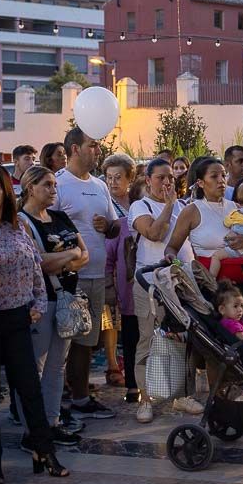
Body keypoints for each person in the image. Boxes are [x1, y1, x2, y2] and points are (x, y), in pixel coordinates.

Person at [0, 164, 68, 484]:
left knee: (29, 389)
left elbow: (35, 267)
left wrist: (38, 302)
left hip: (19, 318)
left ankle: (44, 451)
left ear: (5, 190)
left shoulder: (18, 226)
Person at [53, 127, 119, 421]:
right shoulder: (58, 184)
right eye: (92, 145)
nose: (98, 150)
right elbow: (45, 225)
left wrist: (108, 225)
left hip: (97, 274)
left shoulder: (101, 185)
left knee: (88, 341)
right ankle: (72, 396)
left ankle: (78, 394)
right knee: (69, 340)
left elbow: (116, 226)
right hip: (69, 276)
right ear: (75, 149)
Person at [18, 166, 87, 446]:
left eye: (54, 186)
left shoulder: (59, 217)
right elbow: (38, 261)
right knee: (36, 365)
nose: (53, 190)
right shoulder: (22, 221)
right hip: (41, 298)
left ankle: (52, 421)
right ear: (30, 187)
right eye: (47, 185)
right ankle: (31, 428)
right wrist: (69, 254)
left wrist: (67, 257)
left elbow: (84, 254)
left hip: (66, 298)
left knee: (58, 365)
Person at [131, 158, 200, 423]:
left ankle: (183, 395)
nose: (167, 182)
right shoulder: (140, 206)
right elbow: (154, 233)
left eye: (170, 177)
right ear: (148, 180)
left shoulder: (184, 206)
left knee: (187, 338)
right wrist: (170, 205)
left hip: (181, 281)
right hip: (150, 285)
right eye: (161, 177)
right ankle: (146, 398)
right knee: (149, 339)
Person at [168, 157, 243, 322]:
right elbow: (172, 247)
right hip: (212, 287)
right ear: (201, 183)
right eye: (214, 176)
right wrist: (173, 259)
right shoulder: (192, 211)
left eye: (223, 175)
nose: (221, 181)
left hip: (241, 282)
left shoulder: (236, 208)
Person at [100, 153, 135, 389]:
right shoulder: (104, 204)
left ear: (129, 179)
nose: (113, 182)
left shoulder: (137, 204)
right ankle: (112, 364)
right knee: (110, 318)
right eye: (109, 177)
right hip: (108, 265)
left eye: (118, 177)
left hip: (131, 267)